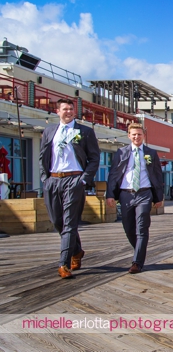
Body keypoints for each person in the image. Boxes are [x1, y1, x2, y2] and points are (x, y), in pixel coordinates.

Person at [39, 98, 100, 279]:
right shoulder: (49, 131)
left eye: (71, 109)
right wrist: (45, 179)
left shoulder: (85, 132)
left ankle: (63, 264)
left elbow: (94, 158)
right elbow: (43, 156)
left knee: (69, 223)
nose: (68, 112)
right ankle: (77, 250)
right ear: (58, 111)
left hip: (74, 180)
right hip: (53, 180)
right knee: (57, 220)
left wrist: (83, 180)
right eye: (65, 109)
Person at [106, 123, 164, 274]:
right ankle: (140, 248)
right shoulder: (121, 152)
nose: (136, 137)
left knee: (142, 227)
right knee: (128, 227)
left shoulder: (151, 153)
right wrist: (110, 194)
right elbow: (113, 174)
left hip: (144, 193)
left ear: (143, 135)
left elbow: (158, 176)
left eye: (139, 134)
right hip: (126, 194)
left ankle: (137, 262)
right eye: (133, 134)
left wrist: (159, 197)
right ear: (129, 136)